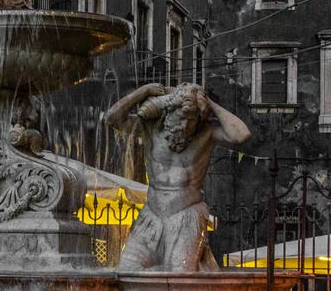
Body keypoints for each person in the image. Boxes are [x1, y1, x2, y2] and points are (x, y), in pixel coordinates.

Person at [104, 82, 251, 272]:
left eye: (192, 120)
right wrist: (143, 92)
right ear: (168, 111)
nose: (186, 125)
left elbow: (241, 134)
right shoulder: (150, 128)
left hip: (187, 215)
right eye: (182, 117)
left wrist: (209, 102)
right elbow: (111, 118)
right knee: (127, 268)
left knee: (181, 271)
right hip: (151, 216)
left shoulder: (205, 132)